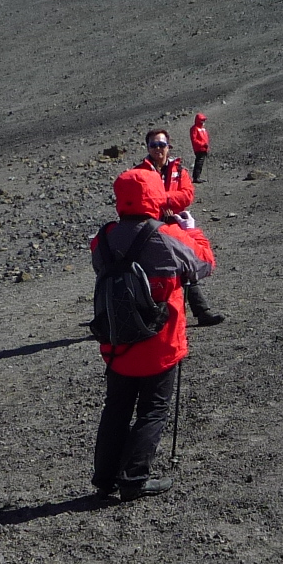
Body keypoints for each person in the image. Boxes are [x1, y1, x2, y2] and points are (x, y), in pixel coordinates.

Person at [89, 168, 214, 499]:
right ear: (155, 196)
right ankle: (134, 478)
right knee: (153, 410)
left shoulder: (103, 238)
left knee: (115, 408)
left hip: (117, 343)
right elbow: (203, 264)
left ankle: (105, 479)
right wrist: (190, 230)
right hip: (160, 343)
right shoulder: (165, 236)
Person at [137, 131, 222, 324]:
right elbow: (140, 199)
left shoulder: (179, 170)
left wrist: (163, 200)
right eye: (153, 145)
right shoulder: (140, 172)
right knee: (159, 271)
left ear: (168, 146)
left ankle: (200, 311)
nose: (158, 148)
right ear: (147, 147)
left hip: (176, 224)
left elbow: (187, 196)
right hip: (152, 228)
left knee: (185, 265)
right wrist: (166, 202)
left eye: (161, 144)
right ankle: (160, 313)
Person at [190, 112, 211, 180]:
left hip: (204, 148)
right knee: (199, 163)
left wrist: (206, 146)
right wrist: (203, 144)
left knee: (200, 163)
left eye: (204, 120)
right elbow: (194, 140)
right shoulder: (195, 128)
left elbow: (206, 138)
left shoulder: (202, 129)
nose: (204, 121)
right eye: (202, 120)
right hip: (199, 148)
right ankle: (196, 177)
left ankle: (197, 177)